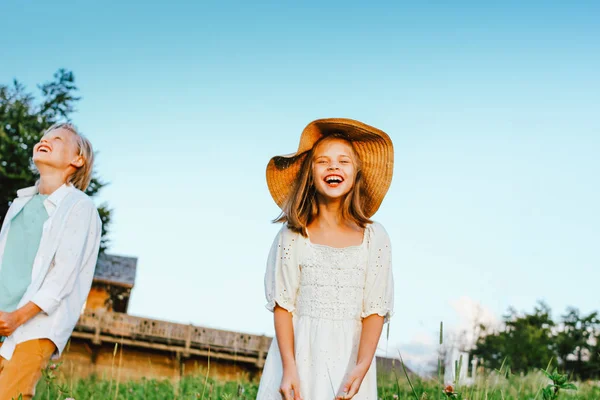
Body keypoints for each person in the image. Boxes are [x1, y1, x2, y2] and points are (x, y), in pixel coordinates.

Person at [257, 118, 395, 400]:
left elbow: (375, 310)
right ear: (310, 174)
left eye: (344, 161)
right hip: (299, 357)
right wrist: (289, 367)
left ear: (356, 173)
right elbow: (283, 306)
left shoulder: (375, 238)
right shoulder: (293, 235)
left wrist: (363, 365)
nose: (333, 166)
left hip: (350, 360)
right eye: (323, 161)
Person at [0, 123, 102, 400]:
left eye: (57, 139)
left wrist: (17, 317)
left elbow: (63, 277)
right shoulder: (19, 205)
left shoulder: (79, 207)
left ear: (76, 160)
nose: (45, 141)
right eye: (43, 138)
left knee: (10, 394)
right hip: (2, 317)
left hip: (36, 324)